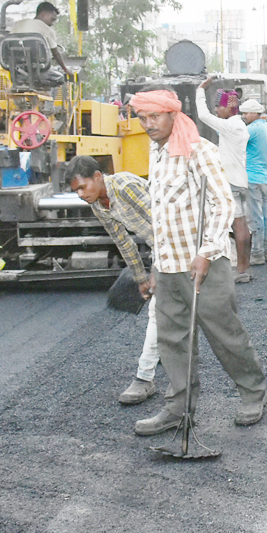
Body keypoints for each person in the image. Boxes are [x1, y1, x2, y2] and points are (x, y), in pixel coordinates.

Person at [127, 89, 267, 435]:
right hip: (169, 264)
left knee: (225, 334)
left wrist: (205, 252)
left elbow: (223, 204)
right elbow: (159, 213)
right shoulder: (155, 153)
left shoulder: (199, 150)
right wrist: (156, 266)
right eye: (143, 118)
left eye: (155, 117)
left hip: (204, 264)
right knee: (172, 341)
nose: (148, 124)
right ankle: (179, 408)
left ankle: (253, 393)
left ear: (174, 115)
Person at [65, 155, 164, 405]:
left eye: (82, 187)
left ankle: (145, 376)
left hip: (181, 243)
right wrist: (141, 276)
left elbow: (164, 224)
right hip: (161, 248)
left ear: (97, 177)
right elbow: (123, 241)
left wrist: (160, 267)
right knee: (164, 311)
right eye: (75, 190)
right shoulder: (99, 203)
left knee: (169, 312)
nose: (80, 194)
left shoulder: (125, 187)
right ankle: (157, 361)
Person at [196, 76, 253, 283]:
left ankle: (241, 270)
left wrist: (200, 90)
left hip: (232, 182)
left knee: (238, 226)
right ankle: (245, 267)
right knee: (242, 225)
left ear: (229, 109)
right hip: (240, 180)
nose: (216, 111)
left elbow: (203, 116)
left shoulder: (231, 127)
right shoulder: (237, 125)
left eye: (218, 107)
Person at [242, 99, 267, 266]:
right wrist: (264, 162)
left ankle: (257, 254)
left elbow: (234, 139)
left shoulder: (251, 129)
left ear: (254, 113)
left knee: (254, 216)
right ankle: (266, 249)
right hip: (264, 177)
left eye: (246, 113)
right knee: (265, 214)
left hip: (251, 178)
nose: (243, 116)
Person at [9, 2, 70, 78]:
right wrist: (65, 69)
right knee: (59, 77)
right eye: (52, 19)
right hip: (37, 69)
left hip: (16, 68)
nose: (52, 24)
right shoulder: (47, 29)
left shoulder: (18, 24)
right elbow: (56, 54)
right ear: (43, 14)